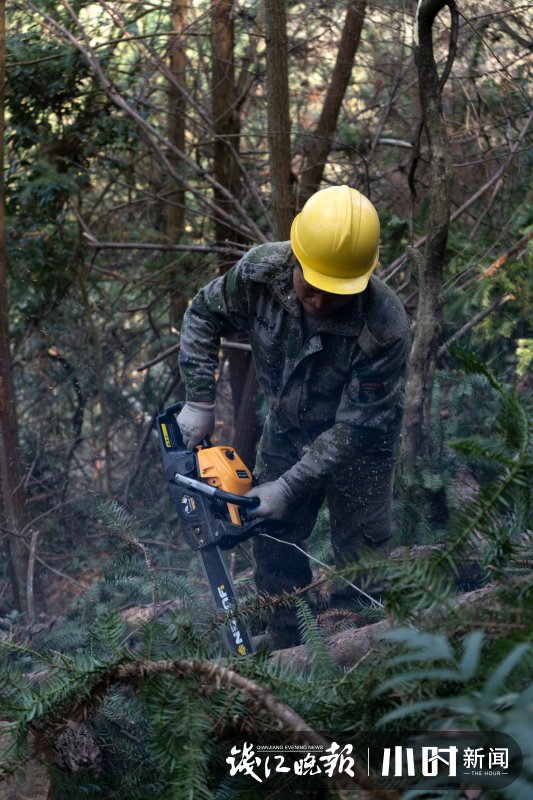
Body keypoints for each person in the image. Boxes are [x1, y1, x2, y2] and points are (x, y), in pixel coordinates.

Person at [177, 185, 411, 649]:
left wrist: (289, 486)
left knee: (362, 557)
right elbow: (203, 314)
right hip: (287, 430)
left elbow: (359, 426)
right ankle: (287, 642)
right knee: (272, 539)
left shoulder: (385, 325)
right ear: (296, 258)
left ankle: (357, 647)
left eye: (334, 293)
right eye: (312, 285)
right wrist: (199, 401)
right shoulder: (261, 273)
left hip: (360, 448)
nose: (320, 301)